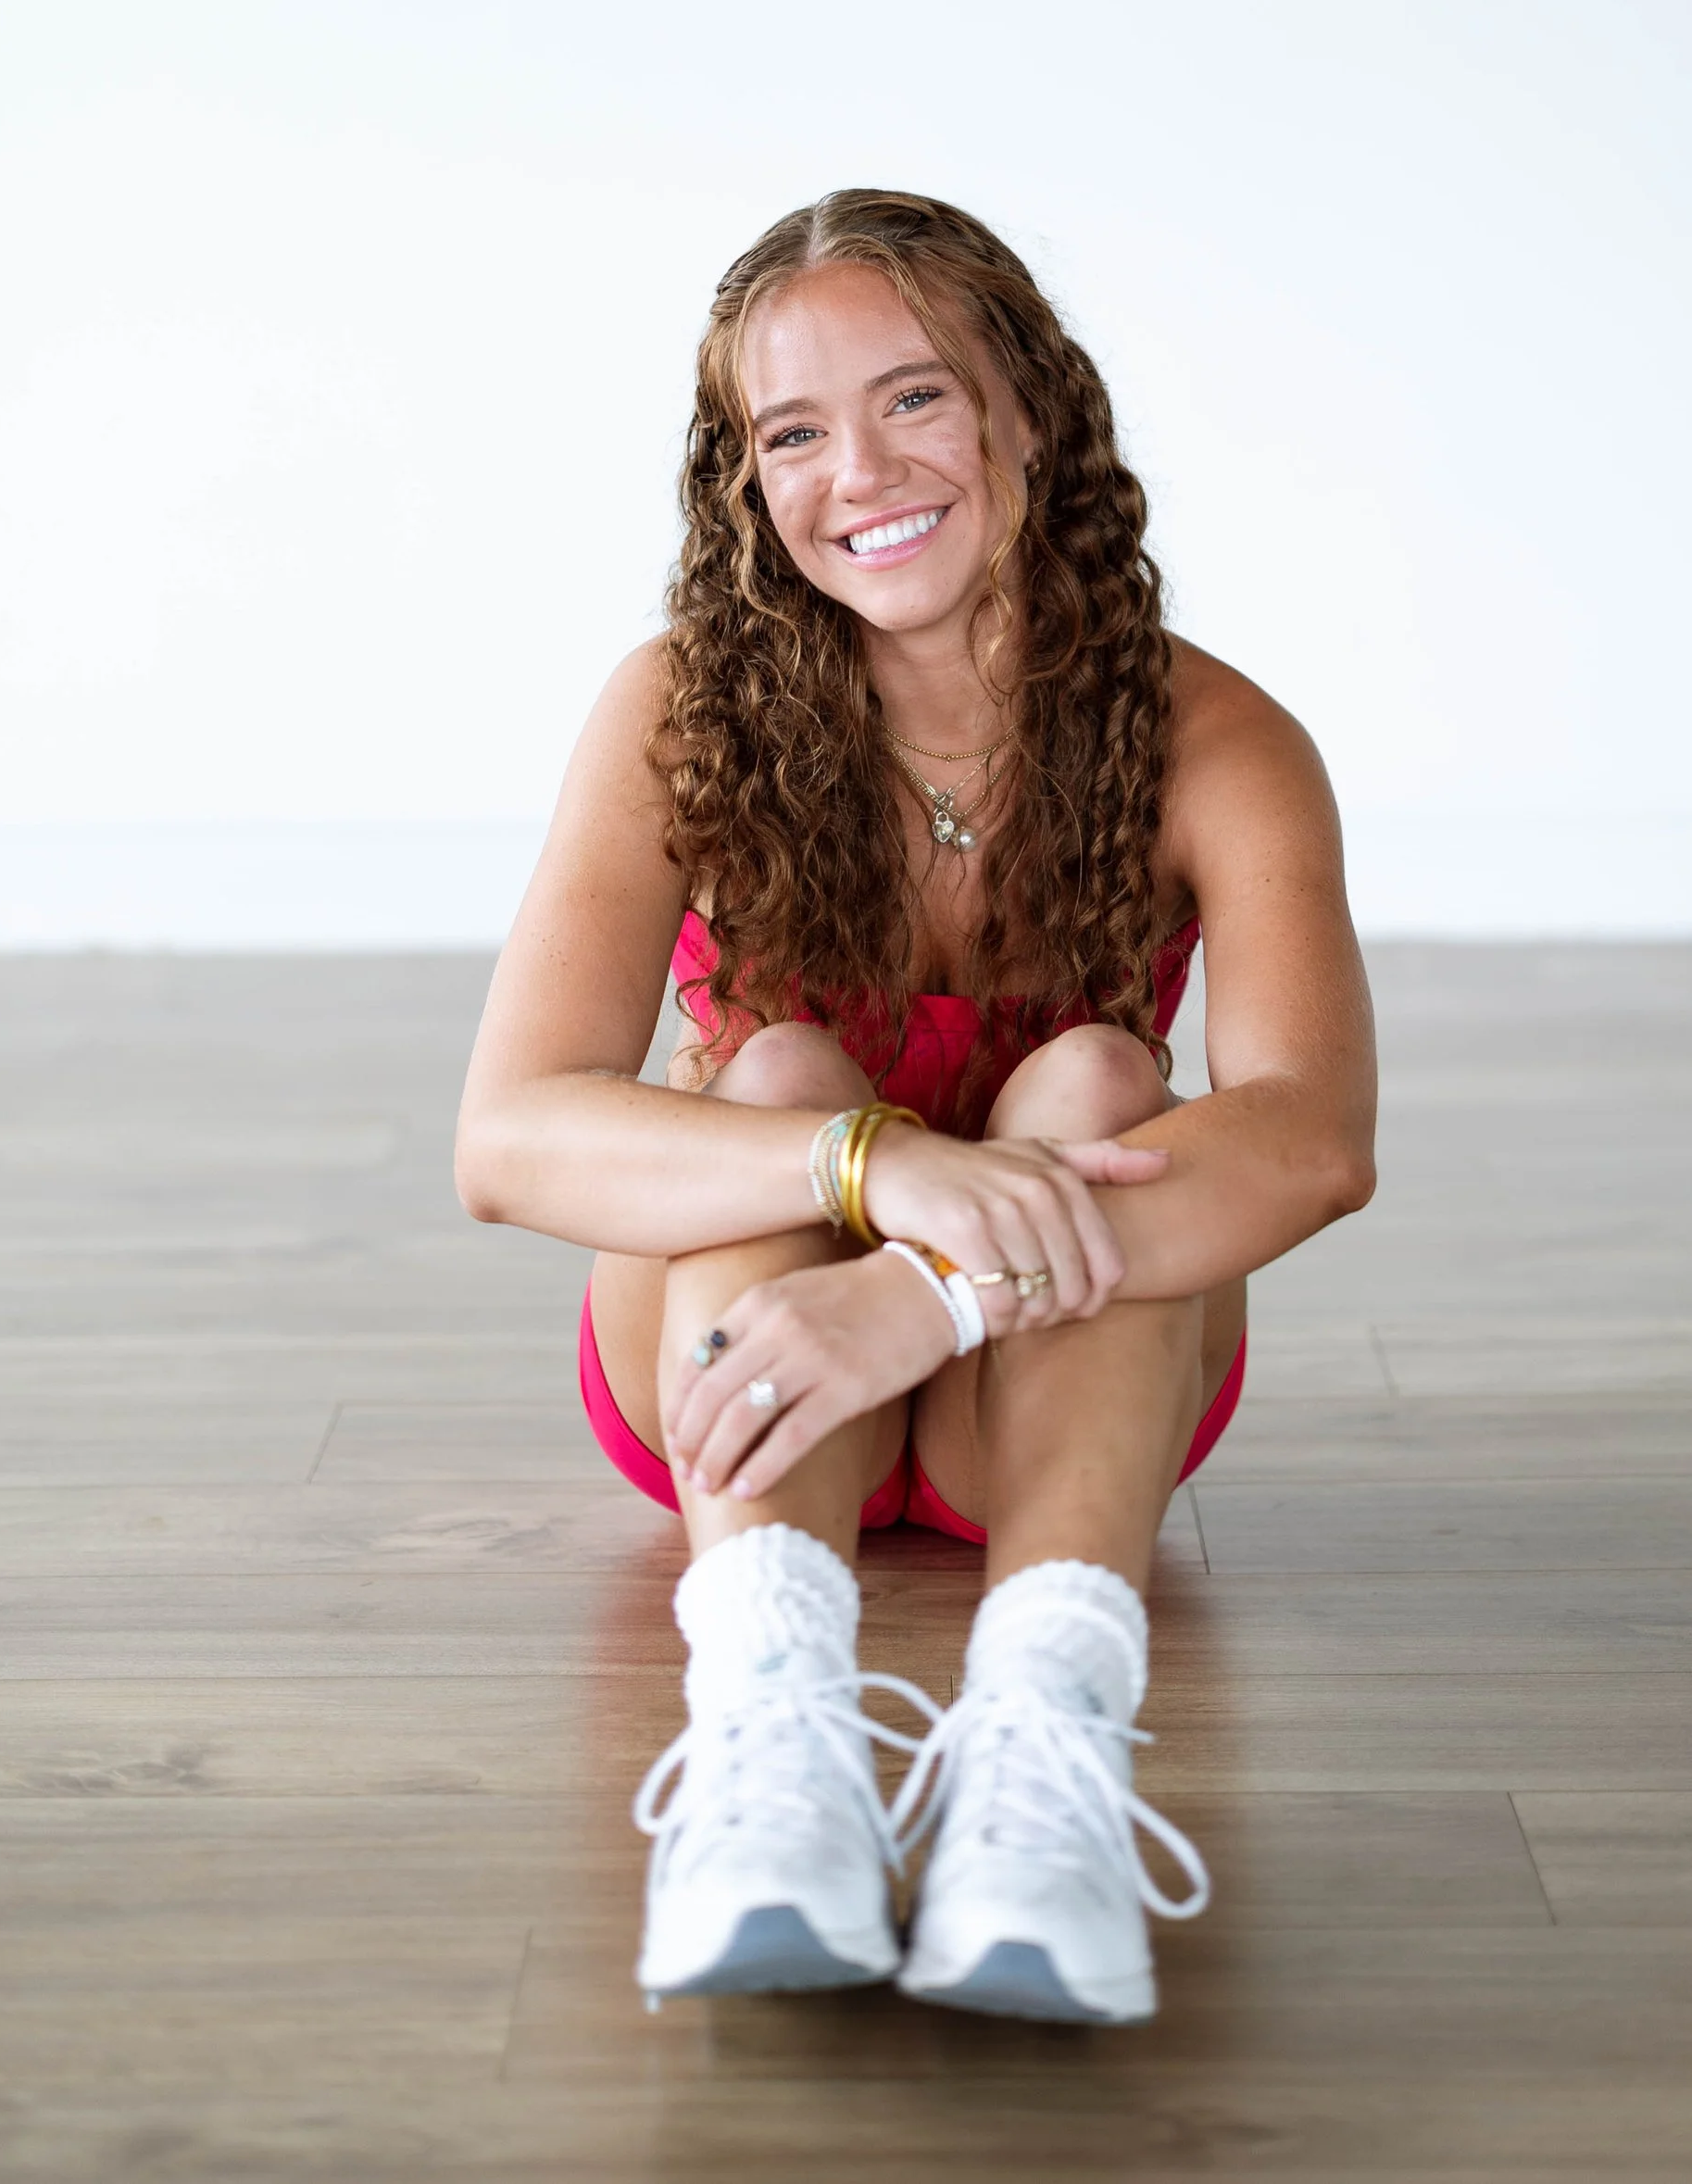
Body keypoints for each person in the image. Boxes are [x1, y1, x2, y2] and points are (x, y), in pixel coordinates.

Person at [455, 190, 1377, 2023]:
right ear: (741, 482)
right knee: (779, 1072)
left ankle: (1044, 1759)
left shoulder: (1217, 740)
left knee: (1101, 1079)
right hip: (741, 1358)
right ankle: (768, 1747)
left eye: (911, 401)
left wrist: (930, 1282)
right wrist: (865, 1167)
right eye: (788, 433)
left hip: (1036, 1402)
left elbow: (1310, 1135)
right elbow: (508, 1136)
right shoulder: (673, 712)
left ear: (1028, 409)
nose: (853, 472)